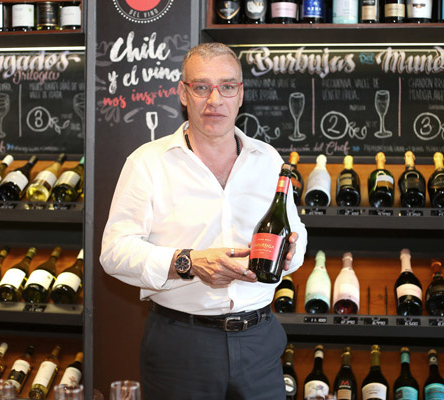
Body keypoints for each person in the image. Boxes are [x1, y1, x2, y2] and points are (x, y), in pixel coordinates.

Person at [100, 42, 307, 400]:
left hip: (260, 342)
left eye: (226, 86)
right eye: (201, 87)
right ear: (183, 93)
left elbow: (296, 234)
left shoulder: (269, 160)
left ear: (240, 94)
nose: (215, 100)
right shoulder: (147, 162)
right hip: (181, 346)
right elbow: (114, 252)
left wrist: (290, 253)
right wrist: (189, 262)